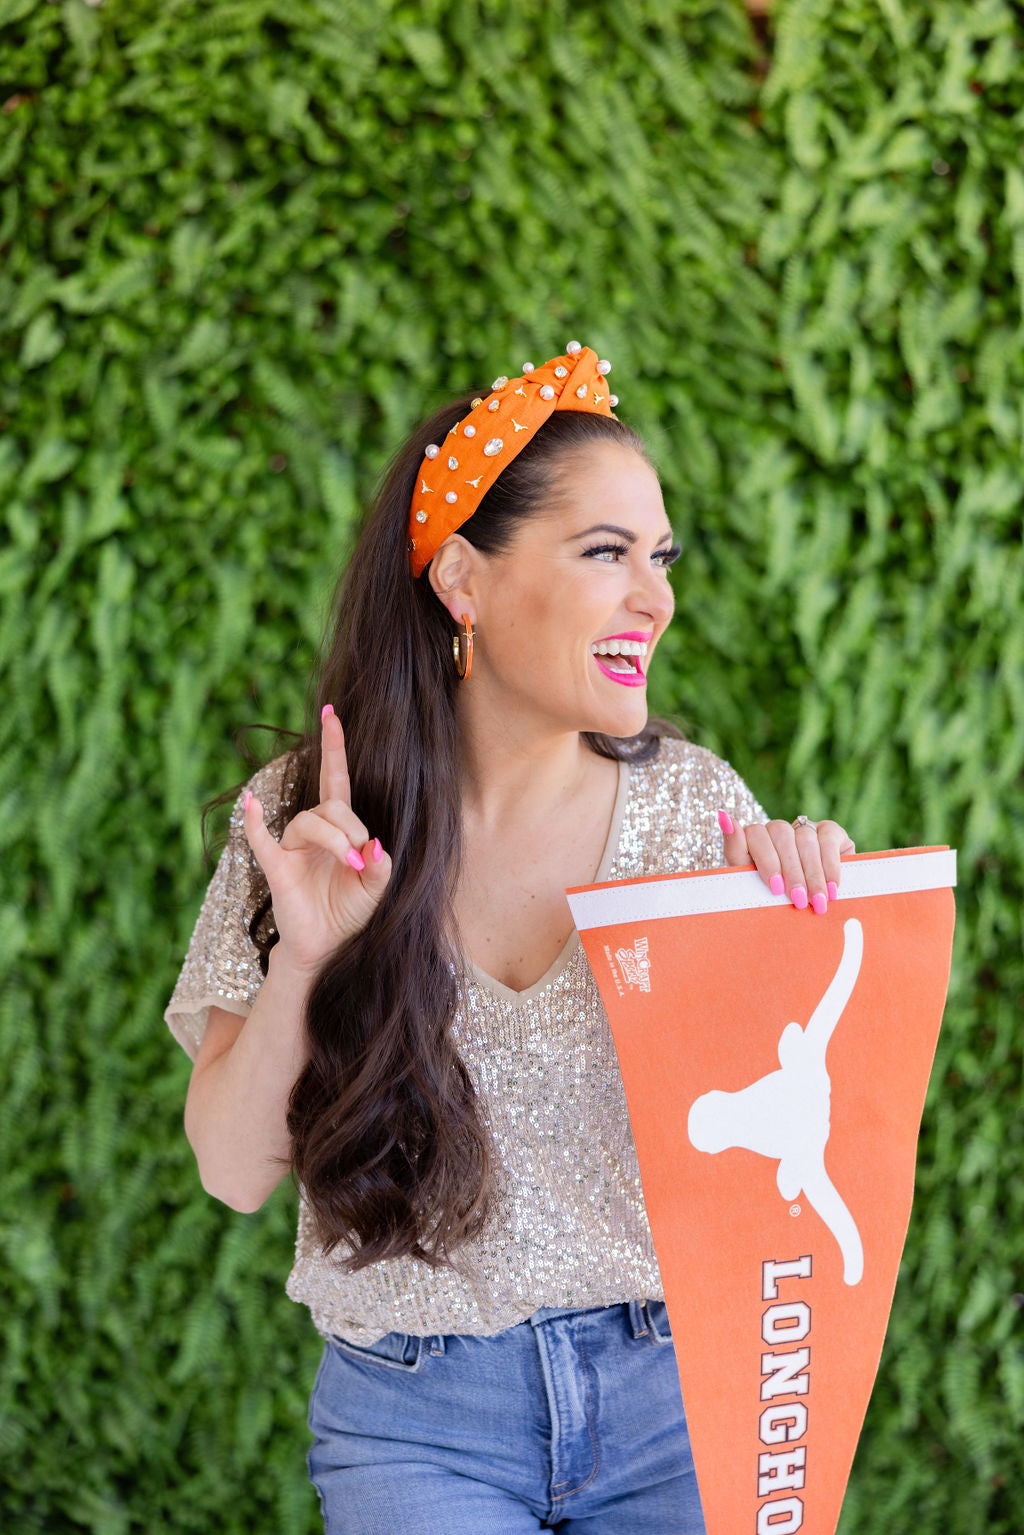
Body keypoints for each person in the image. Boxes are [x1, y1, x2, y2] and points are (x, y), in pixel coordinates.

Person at [165, 342, 854, 1534]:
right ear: (462, 582)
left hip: (676, 1394)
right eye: (605, 553)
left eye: (660, 557)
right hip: (415, 1419)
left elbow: (797, 1119)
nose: (656, 595)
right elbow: (232, 1169)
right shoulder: (306, 820)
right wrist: (309, 959)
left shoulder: (699, 811)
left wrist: (798, 917)